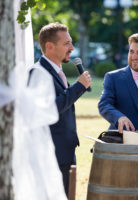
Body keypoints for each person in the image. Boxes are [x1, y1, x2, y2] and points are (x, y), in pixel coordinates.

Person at [36, 22, 92, 196]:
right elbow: (49, 109)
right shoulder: (38, 73)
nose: (72, 48)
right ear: (49, 46)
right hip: (52, 155)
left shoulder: (57, 72)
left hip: (65, 153)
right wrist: (78, 87)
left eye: (71, 42)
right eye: (66, 43)